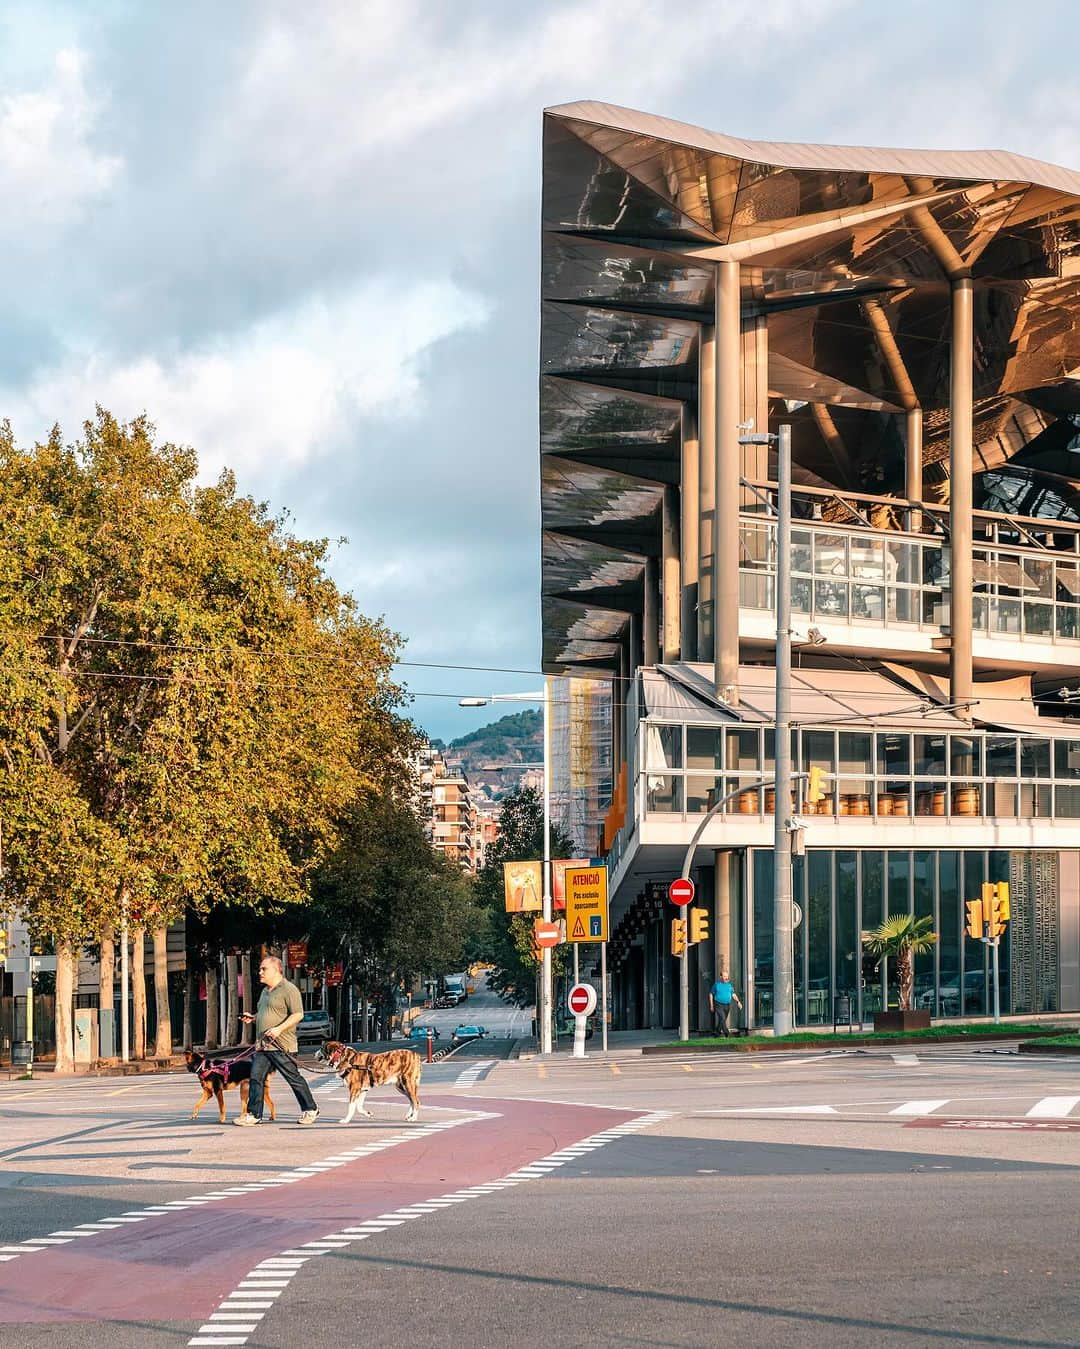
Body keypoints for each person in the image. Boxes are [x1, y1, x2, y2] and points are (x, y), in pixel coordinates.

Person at [234, 955, 320, 1126]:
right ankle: (254, 1114)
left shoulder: (289, 989)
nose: (260, 972)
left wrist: (279, 1029)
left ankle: (311, 1109)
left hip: (282, 1045)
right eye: (260, 969)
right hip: (263, 1045)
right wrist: (253, 1018)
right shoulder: (265, 991)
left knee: (293, 1078)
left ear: (276, 970)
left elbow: (298, 1014)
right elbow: (267, 1014)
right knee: (255, 1077)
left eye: (263, 969)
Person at [708, 968, 743, 1037]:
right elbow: (711, 994)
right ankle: (727, 1033)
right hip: (718, 1004)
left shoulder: (729, 985)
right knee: (723, 1018)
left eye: (727, 976)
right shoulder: (716, 985)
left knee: (722, 1020)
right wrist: (711, 1005)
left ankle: (717, 1034)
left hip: (727, 1005)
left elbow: (733, 994)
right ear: (721, 977)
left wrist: (738, 1002)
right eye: (724, 976)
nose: (726, 978)